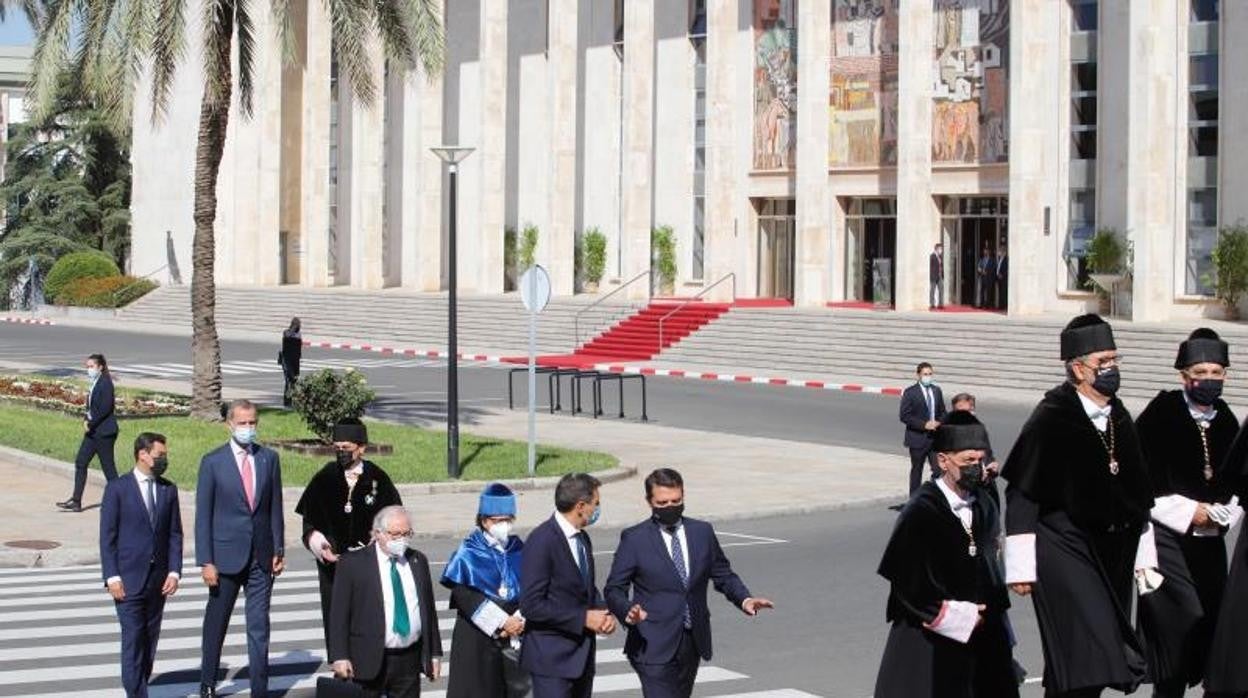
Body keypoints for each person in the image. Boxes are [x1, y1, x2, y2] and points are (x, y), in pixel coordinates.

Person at [1002, 314, 1158, 698]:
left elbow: (1136, 492)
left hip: (1112, 553)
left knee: (1081, 660)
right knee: (1092, 650)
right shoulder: (1051, 417)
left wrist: (1144, 557)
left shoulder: (1119, 416)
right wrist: (1021, 567)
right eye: (1103, 363)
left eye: (1115, 360)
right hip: (1063, 546)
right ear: (1077, 368)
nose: (1111, 370)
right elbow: (1022, 493)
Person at [874, 412, 1019, 698]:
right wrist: (953, 614)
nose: (976, 468)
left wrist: (1000, 621)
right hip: (930, 637)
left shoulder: (985, 502)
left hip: (985, 637)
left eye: (979, 460)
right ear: (943, 461)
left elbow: (991, 564)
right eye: (967, 461)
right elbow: (907, 580)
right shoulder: (921, 510)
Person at [1136, 329, 1242, 697]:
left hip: (1210, 541)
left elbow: (1239, 481)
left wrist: (1222, 513)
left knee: (1211, 624)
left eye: (1217, 372)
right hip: (1168, 537)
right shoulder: (1162, 412)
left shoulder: (1227, 419)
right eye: (1202, 372)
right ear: (1184, 376)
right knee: (1180, 620)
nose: (1209, 380)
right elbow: (1142, 479)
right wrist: (1188, 511)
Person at [605, 468, 774, 698]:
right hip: (651, 641)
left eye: (676, 500)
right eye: (662, 503)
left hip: (691, 640)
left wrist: (745, 599)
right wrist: (627, 611)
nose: (670, 507)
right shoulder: (635, 539)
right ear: (649, 502)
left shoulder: (701, 532)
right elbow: (614, 588)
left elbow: (723, 574)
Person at [196, 399, 285, 698]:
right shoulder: (212, 462)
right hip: (225, 558)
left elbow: (275, 508)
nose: (249, 428)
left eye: (253, 423)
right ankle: (208, 681)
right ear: (229, 424)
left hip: (261, 556)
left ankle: (260, 688)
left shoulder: (268, 459)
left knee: (259, 626)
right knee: (217, 622)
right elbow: (203, 516)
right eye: (243, 423)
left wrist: (279, 549)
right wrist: (206, 560)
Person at [295, 418, 402, 654]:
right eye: (337, 448)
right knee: (337, 623)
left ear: (361, 448)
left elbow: (395, 520)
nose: (341, 453)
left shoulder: (378, 479)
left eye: (347, 448)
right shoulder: (324, 477)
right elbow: (309, 524)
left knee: (368, 622)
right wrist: (320, 545)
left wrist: (381, 540)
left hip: (370, 567)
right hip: (334, 569)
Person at [100, 432, 183, 697]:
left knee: (149, 641)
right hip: (128, 580)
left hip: (157, 581)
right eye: (160, 455)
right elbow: (107, 537)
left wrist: (174, 570)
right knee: (133, 640)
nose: (164, 460)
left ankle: (140, 685)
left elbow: (174, 534)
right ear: (143, 454)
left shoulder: (168, 489)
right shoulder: (118, 488)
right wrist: (112, 576)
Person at [520, 473, 617, 698]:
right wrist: (583, 618)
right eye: (596, 504)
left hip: (581, 658)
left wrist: (603, 611)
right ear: (581, 506)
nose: (597, 509)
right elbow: (532, 605)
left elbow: (585, 587)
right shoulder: (542, 540)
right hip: (552, 661)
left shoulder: (582, 538)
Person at [330, 506, 443, 697]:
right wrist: (340, 656)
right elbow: (339, 614)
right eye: (395, 534)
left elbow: (428, 611)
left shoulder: (417, 561)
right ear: (377, 534)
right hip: (367, 657)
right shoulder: (353, 564)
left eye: (407, 534)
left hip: (409, 658)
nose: (402, 540)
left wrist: (434, 654)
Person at [441, 484, 529, 698]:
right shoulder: (469, 551)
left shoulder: (519, 548)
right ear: (484, 520)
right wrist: (501, 621)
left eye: (508, 519)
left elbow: (533, 586)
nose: (503, 525)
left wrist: (519, 618)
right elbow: (464, 595)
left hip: (515, 637)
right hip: (478, 639)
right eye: (497, 521)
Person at [58, 353, 119, 512]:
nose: (89, 370)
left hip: (104, 433)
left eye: (92, 366)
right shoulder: (95, 382)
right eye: (88, 367)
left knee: (109, 469)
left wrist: (91, 423)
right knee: (81, 462)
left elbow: (105, 409)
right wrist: (86, 418)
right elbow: (91, 407)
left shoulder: (105, 383)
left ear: (101, 367)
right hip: (93, 433)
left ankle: (122, 501)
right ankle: (76, 501)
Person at [899, 362, 947, 497]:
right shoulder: (910, 392)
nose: (928, 377)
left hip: (935, 438)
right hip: (917, 439)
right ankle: (914, 502)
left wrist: (939, 422)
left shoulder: (936, 391)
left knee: (938, 470)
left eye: (930, 374)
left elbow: (943, 412)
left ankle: (936, 497)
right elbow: (904, 416)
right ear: (918, 375)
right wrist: (924, 425)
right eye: (925, 374)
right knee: (917, 471)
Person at [278, 317, 302, 407]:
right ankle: (287, 401)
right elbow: (287, 336)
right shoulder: (286, 332)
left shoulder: (298, 334)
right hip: (287, 360)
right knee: (289, 380)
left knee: (294, 380)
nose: (299, 326)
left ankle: (292, 399)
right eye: (298, 324)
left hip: (295, 360)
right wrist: (293, 328)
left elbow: (298, 348)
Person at [977, 244, 996, 309]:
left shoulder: (992, 260)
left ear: (989, 252)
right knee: (982, 291)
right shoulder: (981, 259)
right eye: (984, 251)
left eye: (986, 251)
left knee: (988, 292)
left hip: (989, 278)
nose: (985, 252)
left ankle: (987, 305)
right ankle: (981, 304)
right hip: (982, 278)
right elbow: (979, 267)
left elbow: (993, 268)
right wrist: (981, 271)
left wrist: (987, 272)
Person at [930, 242, 945, 309]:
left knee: (941, 289)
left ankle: (940, 304)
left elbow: (941, 266)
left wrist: (942, 275)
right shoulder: (932, 256)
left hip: (940, 276)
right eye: (940, 249)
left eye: (941, 249)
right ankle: (932, 304)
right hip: (934, 276)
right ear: (936, 249)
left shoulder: (940, 257)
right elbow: (930, 267)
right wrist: (931, 275)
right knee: (932, 290)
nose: (941, 250)